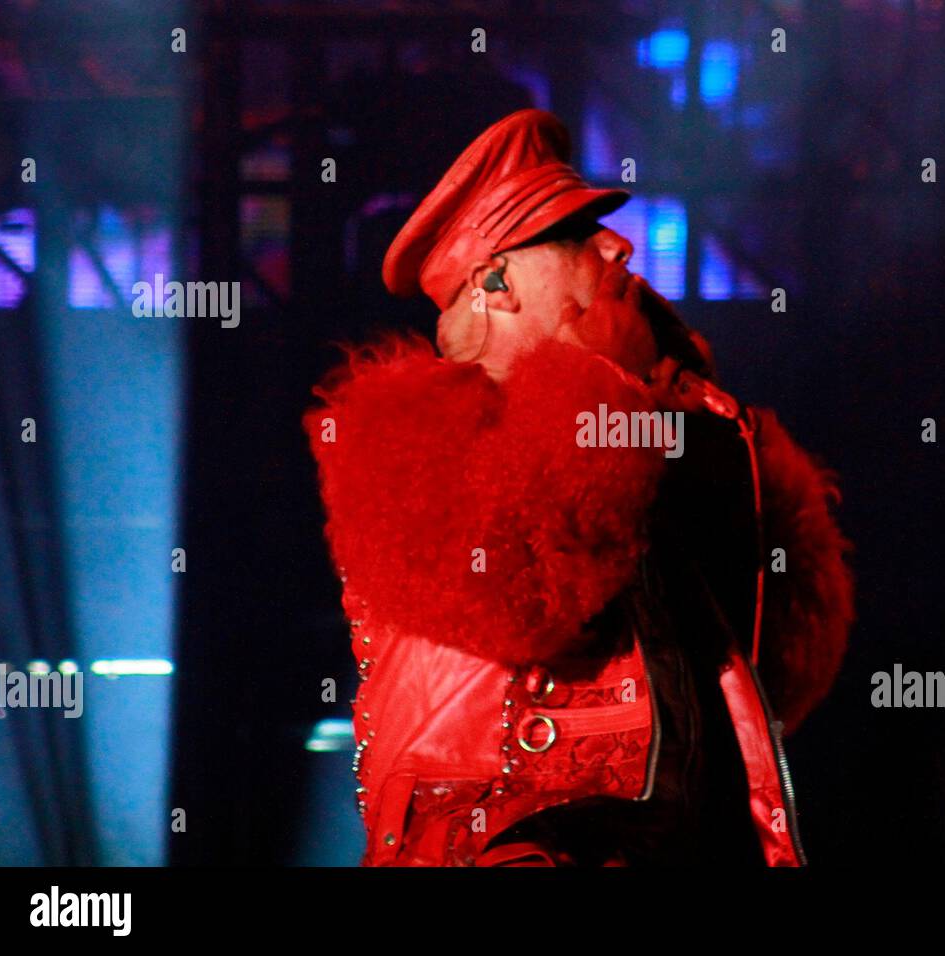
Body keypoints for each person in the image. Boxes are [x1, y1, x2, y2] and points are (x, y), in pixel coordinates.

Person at [303, 108, 853, 866]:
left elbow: (787, 663)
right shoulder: (397, 432)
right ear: (495, 283)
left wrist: (701, 426)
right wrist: (607, 384)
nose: (619, 244)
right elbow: (517, 593)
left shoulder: (650, 435)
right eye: (575, 234)